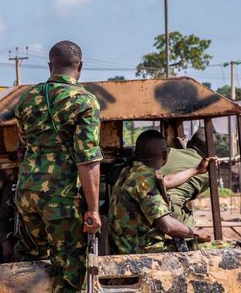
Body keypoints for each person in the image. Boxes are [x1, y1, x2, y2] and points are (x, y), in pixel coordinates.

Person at [13, 41, 102, 292]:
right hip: (61, 197)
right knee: (70, 269)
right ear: (80, 67)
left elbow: (24, 143)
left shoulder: (27, 98)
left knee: (31, 259)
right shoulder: (85, 101)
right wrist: (93, 209)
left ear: (50, 66)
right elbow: (87, 159)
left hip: (26, 191)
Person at [109, 130, 214, 255]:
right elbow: (167, 225)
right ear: (165, 155)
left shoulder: (131, 171)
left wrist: (196, 169)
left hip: (126, 243)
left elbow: (166, 181)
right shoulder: (145, 181)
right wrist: (196, 234)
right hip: (142, 251)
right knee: (217, 248)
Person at [159, 127, 211, 228]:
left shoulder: (168, 152)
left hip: (148, 202)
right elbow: (189, 196)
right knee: (189, 221)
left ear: (190, 143)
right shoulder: (206, 171)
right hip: (171, 212)